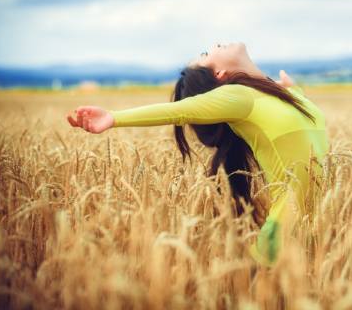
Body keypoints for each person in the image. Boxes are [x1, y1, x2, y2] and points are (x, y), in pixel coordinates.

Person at [66, 42, 328, 266]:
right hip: (281, 240)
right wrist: (115, 118)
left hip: (321, 234)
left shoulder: (285, 95)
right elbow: (181, 110)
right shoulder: (238, 96)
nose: (215, 44)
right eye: (206, 52)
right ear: (219, 73)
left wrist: (292, 91)